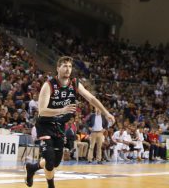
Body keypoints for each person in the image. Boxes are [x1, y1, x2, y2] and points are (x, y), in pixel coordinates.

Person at [24, 56, 115, 188]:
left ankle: (32, 167)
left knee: (55, 162)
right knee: (49, 159)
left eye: (70, 66)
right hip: (45, 125)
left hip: (59, 126)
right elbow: (42, 111)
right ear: (58, 68)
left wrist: (106, 113)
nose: (68, 69)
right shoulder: (48, 85)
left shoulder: (75, 83)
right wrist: (62, 110)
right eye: (65, 66)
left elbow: (91, 98)